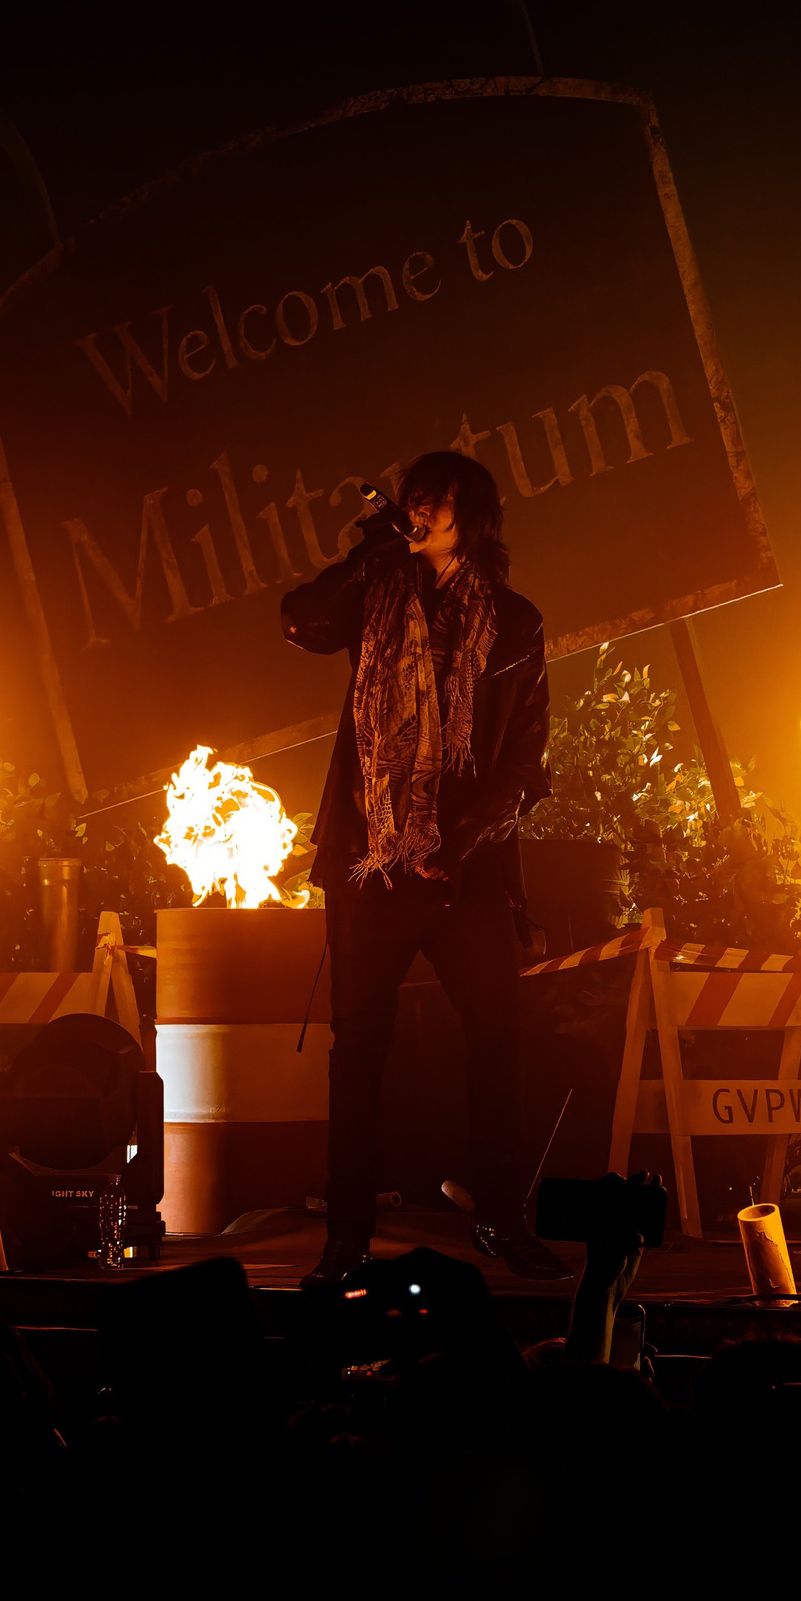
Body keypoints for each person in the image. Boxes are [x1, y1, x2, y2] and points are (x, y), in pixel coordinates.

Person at [280, 451, 569, 1282]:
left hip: (466, 868)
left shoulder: (514, 622)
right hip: (372, 862)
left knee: (497, 1042)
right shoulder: (373, 595)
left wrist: (466, 836)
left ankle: (501, 1221)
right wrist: (371, 552)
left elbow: (527, 759)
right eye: (413, 497)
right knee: (358, 1049)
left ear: (469, 516)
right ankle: (346, 1238)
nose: (420, 509)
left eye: (436, 500)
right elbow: (299, 620)